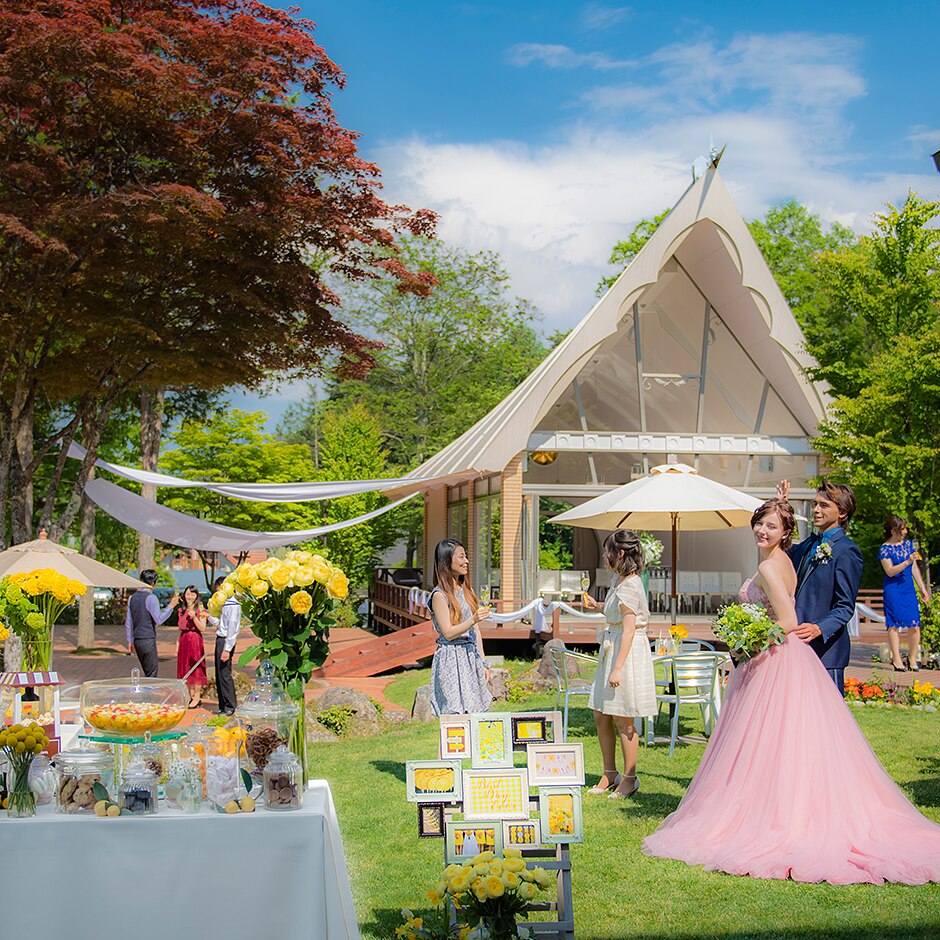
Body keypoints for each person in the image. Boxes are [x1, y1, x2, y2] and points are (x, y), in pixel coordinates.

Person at [643, 498, 940, 884]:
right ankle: (780, 812)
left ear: (786, 533)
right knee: (779, 747)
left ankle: (770, 822)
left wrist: (747, 639)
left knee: (766, 744)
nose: (763, 531)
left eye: (772, 526)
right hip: (782, 659)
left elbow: (786, 619)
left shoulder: (769, 565)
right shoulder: (783, 560)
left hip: (772, 659)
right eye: (759, 524)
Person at [581, 530, 656, 800]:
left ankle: (630, 778)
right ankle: (609, 772)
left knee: (623, 717)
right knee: (601, 713)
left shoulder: (631, 585)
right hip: (612, 647)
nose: (605, 556)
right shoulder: (618, 580)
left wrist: (618, 668)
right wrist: (599, 606)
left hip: (625, 653)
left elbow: (629, 629)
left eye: (608, 551)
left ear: (620, 554)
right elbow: (617, 614)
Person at [778, 479, 863, 695]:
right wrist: (781, 510)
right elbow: (781, 552)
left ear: (842, 513)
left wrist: (818, 628)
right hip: (797, 646)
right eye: (815, 504)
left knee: (829, 723)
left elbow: (845, 607)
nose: (816, 510)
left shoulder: (847, 551)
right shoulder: (808, 545)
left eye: (824, 505)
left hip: (827, 653)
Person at [428, 539, 493, 716]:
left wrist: (483, 663)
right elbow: (448, 633)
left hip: (470, 657)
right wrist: (472, 620)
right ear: (446, 561)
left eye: (466, 557)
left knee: (476, 712)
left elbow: (476, 632)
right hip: (451, 658)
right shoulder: (439, 596)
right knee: (455, 716)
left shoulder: (466, 590)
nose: (467, 561)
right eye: (461, 557)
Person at [880, 515, 930, 672]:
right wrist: (906, 562)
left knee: (914, 624)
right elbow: (890, 571)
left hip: (908, 589)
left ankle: (912, 657)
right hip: (893, 590)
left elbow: (914, 568)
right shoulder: (885, 548)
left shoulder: (908, 545)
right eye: (903, 529)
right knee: (893, 624)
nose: (906, 532)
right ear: (894, 531)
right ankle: (896, 658)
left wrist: (922, 589)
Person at [125, 570, 179, 678]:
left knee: (146, 670)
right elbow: (159, 619)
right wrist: (171, 606)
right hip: (148, 638)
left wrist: (130, 640)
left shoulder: (132, 598)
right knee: (152, 673)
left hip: (137, 639)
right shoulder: (151, 598)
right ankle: (148, 694)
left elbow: (128, 621)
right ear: (153, 583)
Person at [207, 575, 241, 715]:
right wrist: (208, 616)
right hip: (220, 638)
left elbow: (233, 629)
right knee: (219, 673)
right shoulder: (224, 604)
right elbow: (222, 625)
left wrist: (227, 649)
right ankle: (222, 705)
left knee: (225, 673)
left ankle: (230, 706)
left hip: (226, 641)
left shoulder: (233, 605)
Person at [176, 585, 208, 708]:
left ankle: (197, 696)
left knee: (196, 668)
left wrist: (194, 617)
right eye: (188, 594)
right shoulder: (181, 611)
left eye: (193, 594)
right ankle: (189, 696)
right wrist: (177, 645)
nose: (190, 597)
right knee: (185, 668)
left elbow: (202, 628)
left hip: (195, 639)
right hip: (184, 640)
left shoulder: (200, 609)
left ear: (197, 596)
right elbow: (179, 629)